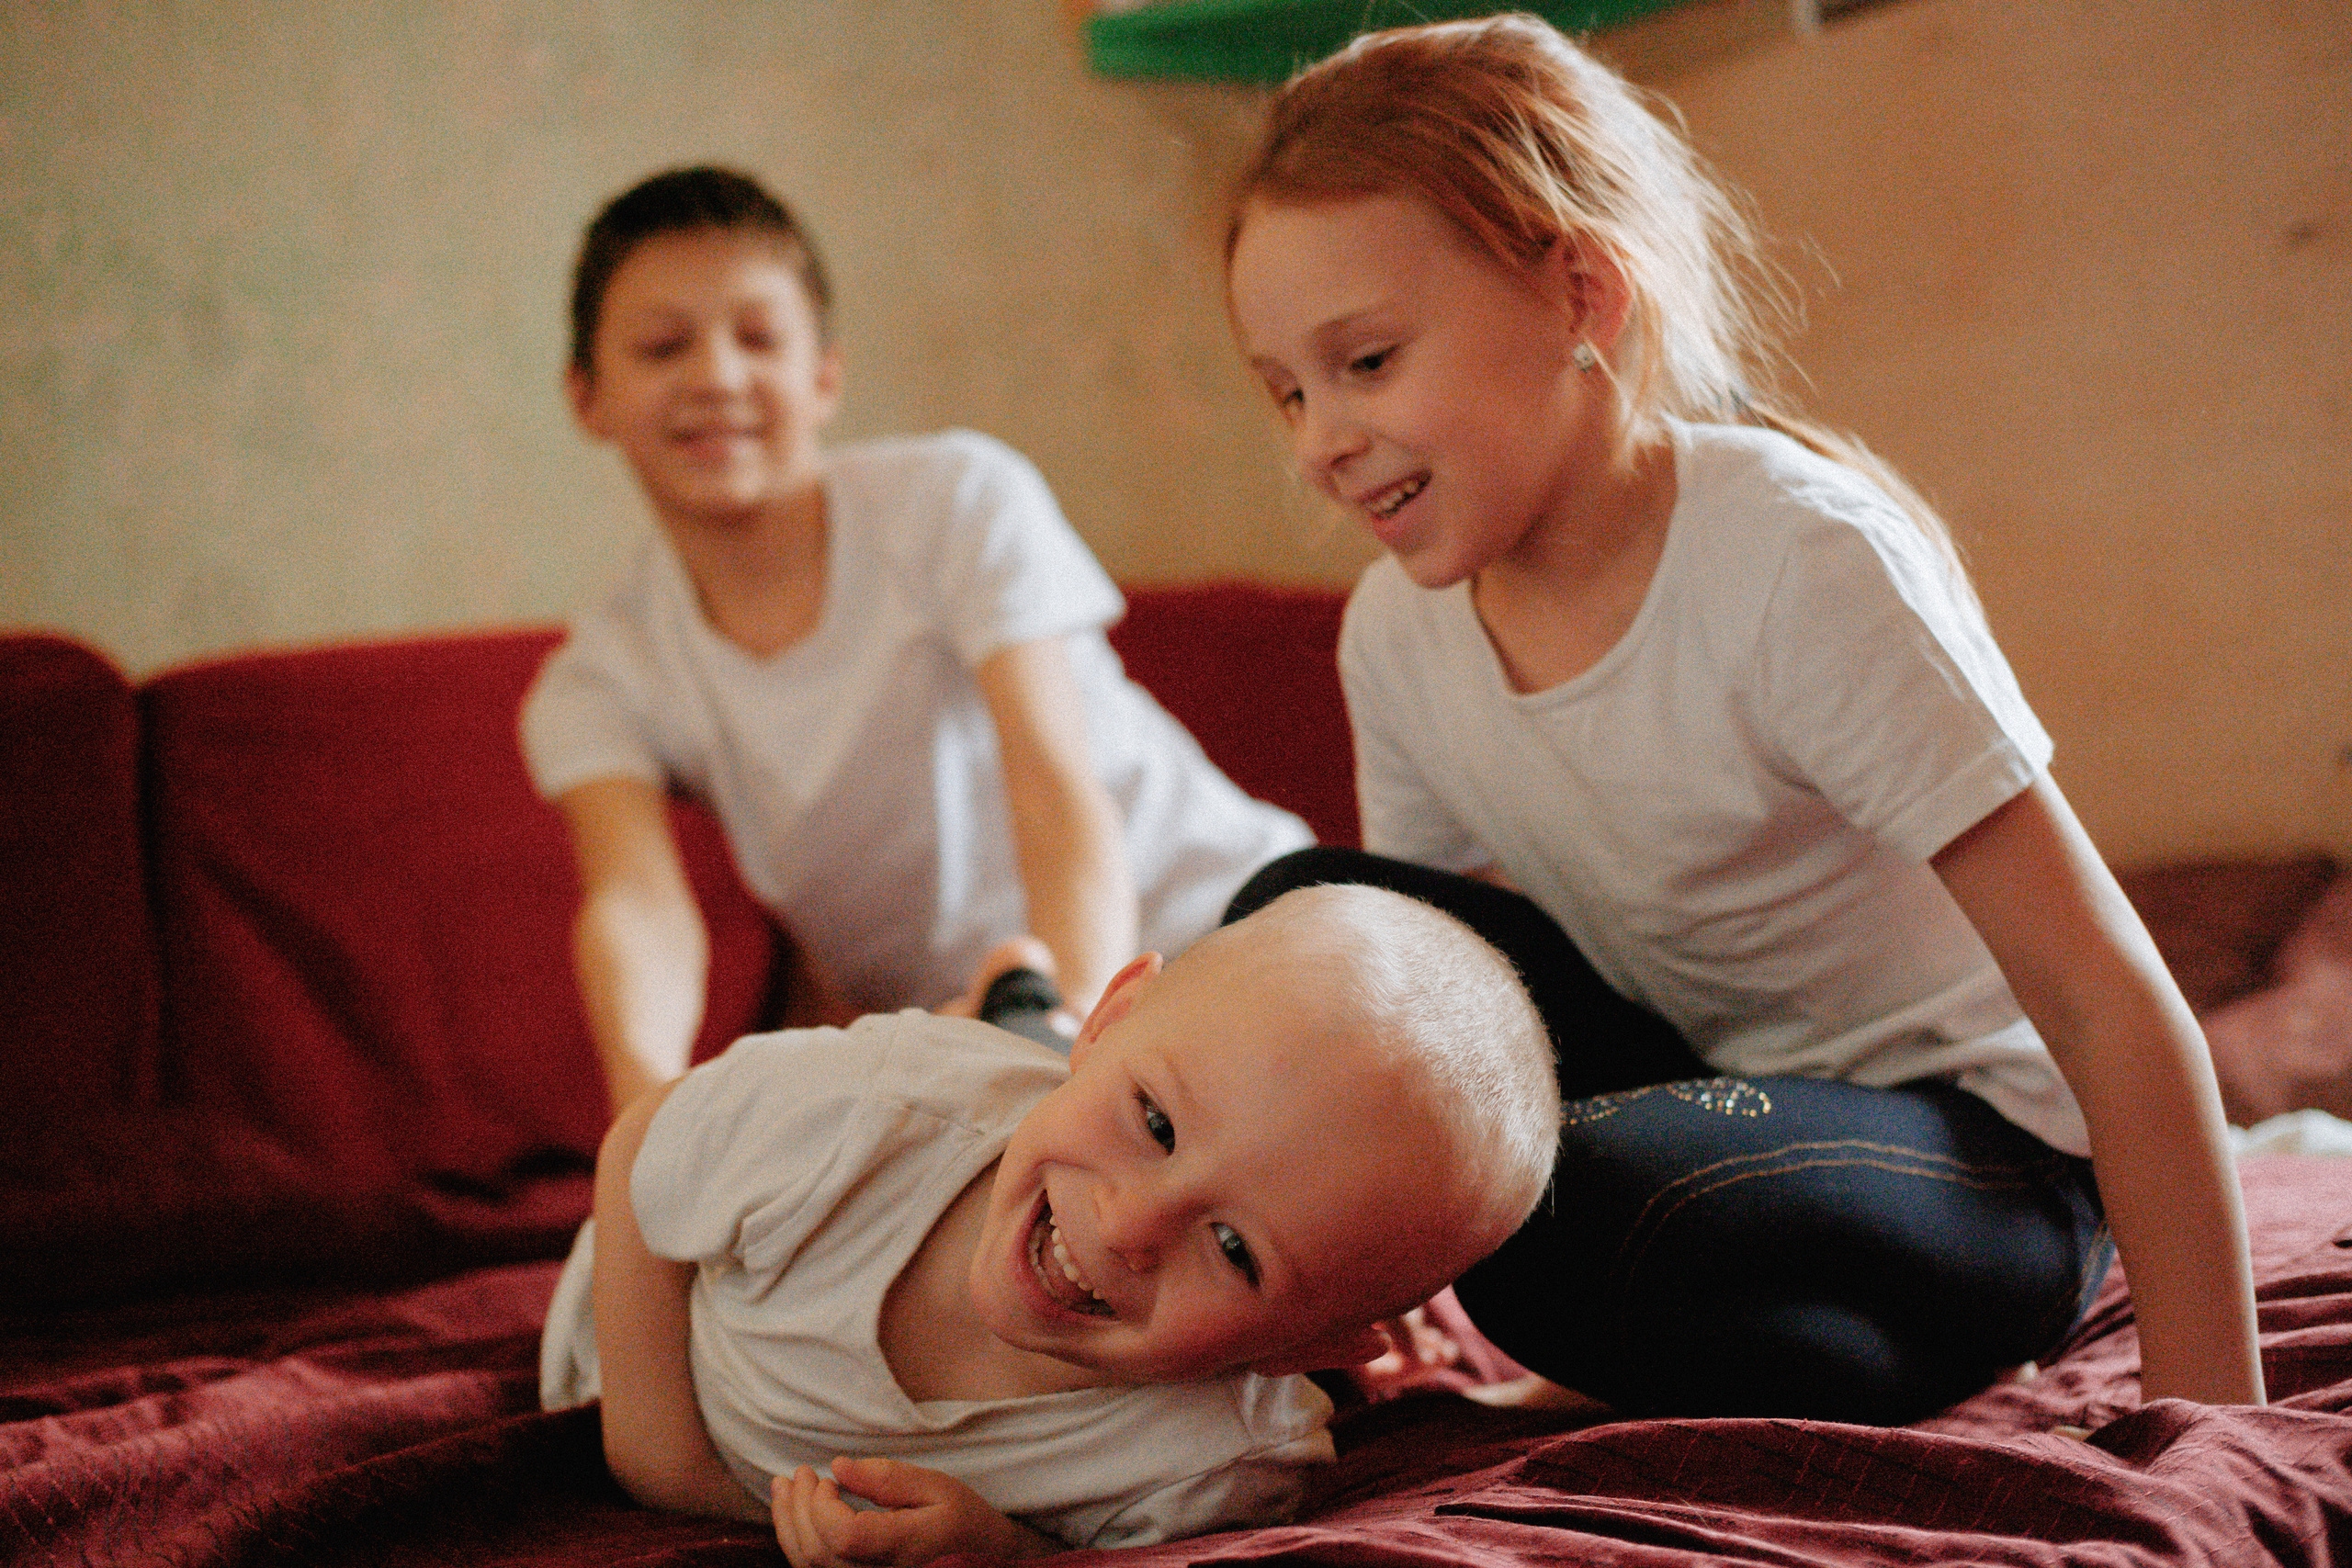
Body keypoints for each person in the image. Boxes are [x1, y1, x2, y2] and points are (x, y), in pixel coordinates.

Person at [1218, 14, 2264, 1424]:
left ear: (1580, 293)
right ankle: (1824, 1363)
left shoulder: (1793, 560)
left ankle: (1845, 1326)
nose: (1316, 440)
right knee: (1305, 910)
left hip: (1984, 1152)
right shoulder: (1397, 632)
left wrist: (2213, 1419)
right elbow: (1416, 1011)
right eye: (1283, 388)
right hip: (1719, 1084)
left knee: (1570, 1210)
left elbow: (2103, 994)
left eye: (1366, 362)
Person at [521, 165, 1312, 1113]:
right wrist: (647, 1113)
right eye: (661, 346)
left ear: (825, 376)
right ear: (586, 397)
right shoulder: (599, 677)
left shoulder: (956, 499)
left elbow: (1052, 784)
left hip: (1227, 937)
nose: (717, 377)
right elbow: (639, 906)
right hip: (977, 1033)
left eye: (760, 338)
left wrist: (1072, 1047)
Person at [538, 883, 1559, 1562]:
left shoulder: (1215, 1473)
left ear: (1315, 1348)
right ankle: (1016, 999)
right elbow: (641, 1146)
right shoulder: (867, 1114)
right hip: (650, 1326)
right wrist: (667, 1468)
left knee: (1061, 1109)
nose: (1131, 1225)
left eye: (1236, 1249)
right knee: (1006, 1074)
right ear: (1119, 1013)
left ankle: (1038, 1026)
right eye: (1155, 1122)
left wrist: (1000, 1550)